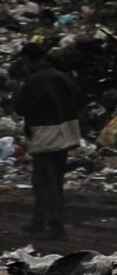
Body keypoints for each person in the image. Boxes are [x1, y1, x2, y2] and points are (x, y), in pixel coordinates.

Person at [10, 42, 82, 240]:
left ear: (27, 59)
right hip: (65, 134)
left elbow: (20, 107)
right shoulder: (60, 76)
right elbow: (78, 97)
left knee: (44, 181)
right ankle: (40, 220)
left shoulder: (36, 80)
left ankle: (54, 225)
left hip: (45, 136)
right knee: (54, 180)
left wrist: (17, 90)